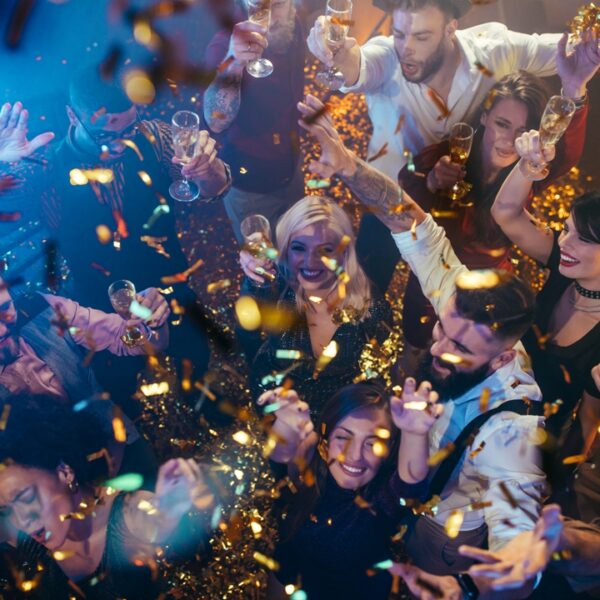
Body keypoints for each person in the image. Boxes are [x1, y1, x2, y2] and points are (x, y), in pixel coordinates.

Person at [299, 94, 547, 576]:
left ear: (499, 360)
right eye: (442, 327)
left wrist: (490, 579)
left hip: (441, 526)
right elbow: (407, 218)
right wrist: (350, 166)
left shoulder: (514, 426)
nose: (437, 348)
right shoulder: (460, 304)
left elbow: (520, 539)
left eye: (458, 348)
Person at [0, 399, 211, 599]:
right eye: (6, 509)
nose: (21, 521)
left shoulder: (126, 514)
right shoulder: (21, 539)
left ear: (64, 472)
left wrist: (169, 507)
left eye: (25, 497)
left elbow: (154, 519)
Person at [262, 380, 441, 599]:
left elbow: (411, 481)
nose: (355, 455)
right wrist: (286, 426)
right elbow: (282, 454)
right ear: (326, 439)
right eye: (343, 437)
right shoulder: (312, 465)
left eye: (372, 443)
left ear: (389, 448)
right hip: (287, 575)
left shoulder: (382, 498)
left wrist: (414, 435)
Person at [237, 195, 392, 417]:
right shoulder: (275, 284)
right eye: (299, 248)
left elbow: (377, 365)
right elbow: (246, 335)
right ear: (285, 249)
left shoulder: (370, 305)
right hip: (277, 402)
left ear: (344, 252)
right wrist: (253, 273)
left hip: (339, 411)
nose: (310, 262)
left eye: (326, 250)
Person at [203, 0, 306, 243]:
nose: (269, 18)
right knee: (264, 268)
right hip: (250, 186)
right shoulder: (223, 44)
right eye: (259, 6)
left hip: (292, 167)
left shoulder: (293, 25)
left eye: (278, 4)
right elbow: (215, 122)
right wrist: (234, 61)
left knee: (297, 248)